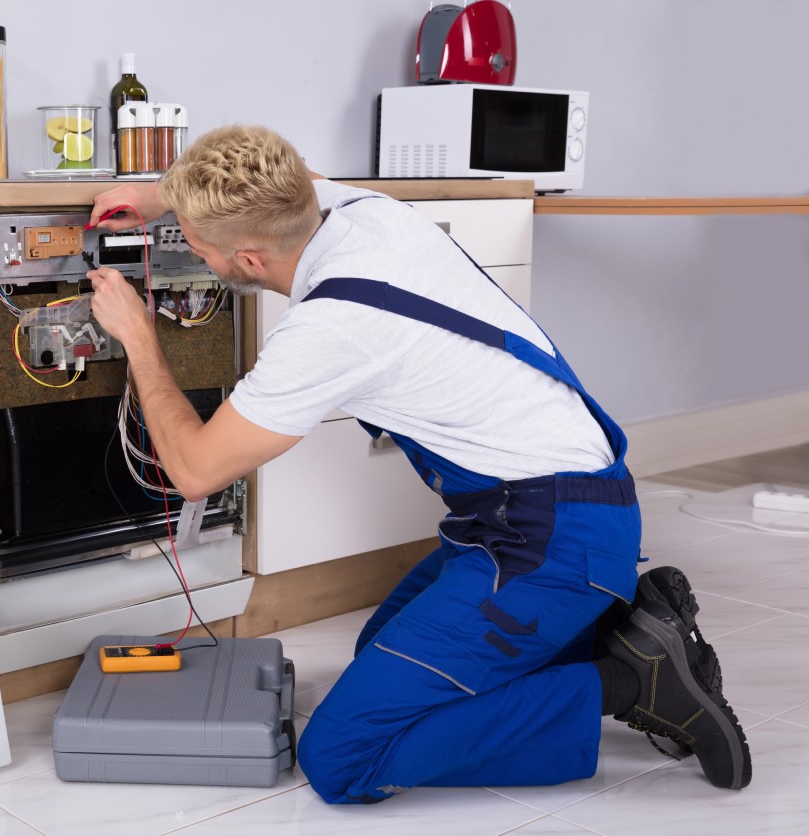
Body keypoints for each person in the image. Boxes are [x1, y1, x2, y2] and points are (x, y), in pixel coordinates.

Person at [85, 124, 752, 801]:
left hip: (548, 540)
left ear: (250, 260)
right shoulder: (357, 211)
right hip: (547, 513)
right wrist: (161, 197)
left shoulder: (332, 326)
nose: (186, 248)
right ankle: (618, 628)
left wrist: (140, 340)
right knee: (379, 651)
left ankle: (635, 681)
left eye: (194, 244)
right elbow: (284, 176)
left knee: (346, 757)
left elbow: (196, 471)